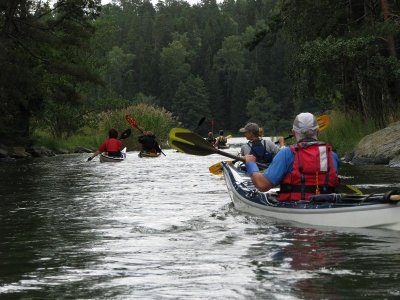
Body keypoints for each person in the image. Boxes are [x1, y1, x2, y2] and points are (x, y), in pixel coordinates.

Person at [244, 113, 340, 201]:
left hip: (296, 205)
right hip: (327, 205)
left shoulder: (287, 153)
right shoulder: (331, 155)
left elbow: (262, 185)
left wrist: (251, 163)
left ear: (293, 133)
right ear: (318, 132)